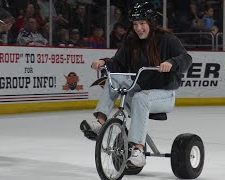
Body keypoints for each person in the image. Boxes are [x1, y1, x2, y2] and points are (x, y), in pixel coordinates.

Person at [80, 1, 192, 168]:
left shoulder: (168, 40)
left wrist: (171, 63)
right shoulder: (131, 41)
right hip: (139, 89)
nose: (138, 28)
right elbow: (118, 64)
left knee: (140, 98)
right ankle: (101, 122)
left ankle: (138, 151)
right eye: (135, 24)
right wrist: (104, 62)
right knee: (115, 78)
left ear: (151, 22)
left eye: (142, 24)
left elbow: (186, 58)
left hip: (163, 94)